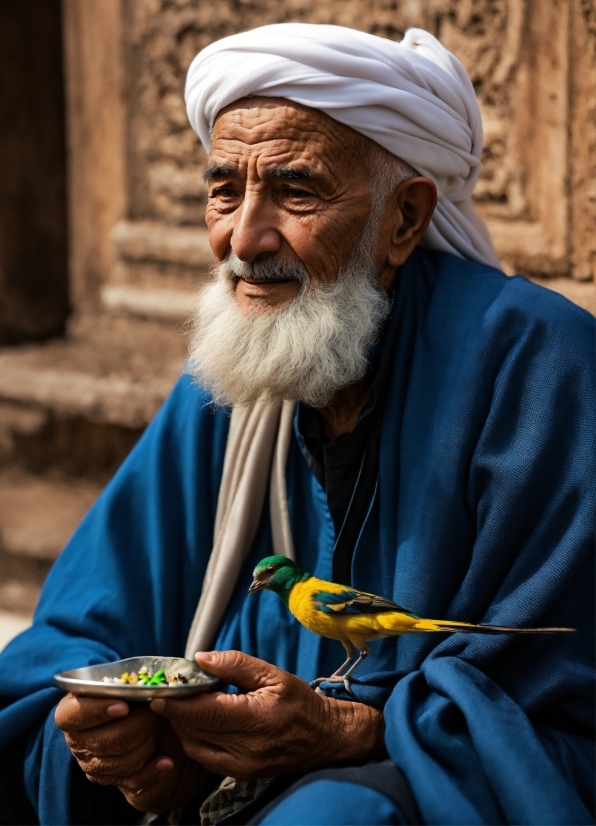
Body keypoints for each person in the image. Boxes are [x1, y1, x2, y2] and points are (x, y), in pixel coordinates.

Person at [0, 23, 594, 826]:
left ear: (404, 221)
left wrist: (355, 729)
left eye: (296, 191)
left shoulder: (535, 362)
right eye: (224, 190)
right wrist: (118, 741)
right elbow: (73, 633)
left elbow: (557, 692)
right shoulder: (232, 381)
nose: (242, 239)